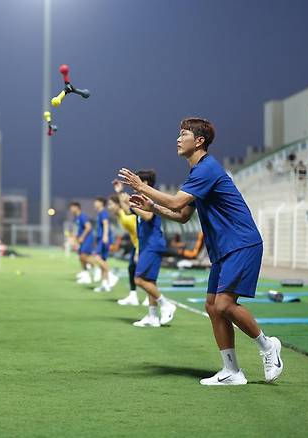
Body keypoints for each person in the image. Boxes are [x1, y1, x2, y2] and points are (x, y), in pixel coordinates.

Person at [119, 117, 283, 385]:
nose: (177, 138)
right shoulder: (197, 173)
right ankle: (231, 371)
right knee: (212, 306)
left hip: (241, 243)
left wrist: (142, 186)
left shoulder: (207, 169)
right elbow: (182, 214)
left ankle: (268, 346)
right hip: (223, 248)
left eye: (183, 134)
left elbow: (176, 200)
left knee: (224, 304)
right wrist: (153, 208)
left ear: (199, 141)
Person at [122, 171, 175, 326]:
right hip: (147, 245)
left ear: (145, 182)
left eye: (136, 180)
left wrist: (131, 204)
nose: (133, 183)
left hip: (153, 244)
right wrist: (121, 195)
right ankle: (153, 316)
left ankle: (166, 304)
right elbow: (126, 211)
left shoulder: (149, 198)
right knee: (150, 281)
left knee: (138, 279)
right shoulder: (141, 198)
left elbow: (148, 216)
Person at [109, 185, 143, 306]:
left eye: (111, 204)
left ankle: (152, 298)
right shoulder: (120, 216)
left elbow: (139, 233)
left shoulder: (125, 215)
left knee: (142, 271)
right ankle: (133, 295)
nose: (109, 207)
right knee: (131, 268)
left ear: (118, 205)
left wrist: (139, 250)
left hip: (142, 243)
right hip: (136, 243)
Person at [91, 197, 116, 292]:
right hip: (101, 239)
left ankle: (111, 275)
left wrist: (105, 236)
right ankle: (105, 284)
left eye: (96, 201)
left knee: (96, 257)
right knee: (103, 261)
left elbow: (106, 224)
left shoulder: (103, 212)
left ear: (101, 203)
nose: (95, 203)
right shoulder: (100, 213)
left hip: (104, 239)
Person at [69, 202, 94, 285]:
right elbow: (79, 230)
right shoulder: (78, 217)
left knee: (83, 256)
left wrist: (82, 237)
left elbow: (88, 227)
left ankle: (97, 267)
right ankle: (85, 275)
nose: (71, 209)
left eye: (72, 207)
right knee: (81, 257)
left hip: (87, 239)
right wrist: (75, 240)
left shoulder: (82, 216)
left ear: (77, 207)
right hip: (82, 240)